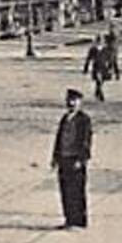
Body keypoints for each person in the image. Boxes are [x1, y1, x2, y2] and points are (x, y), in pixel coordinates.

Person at [50, 88, 92, 228]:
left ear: (80, 102)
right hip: (64, 158)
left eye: (74, 100)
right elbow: (59, 138)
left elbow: (86, 141)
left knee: (77, 190)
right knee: (65, 190)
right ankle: (69, 219)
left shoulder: (84, 120)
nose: (71, 103)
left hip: (75, 159)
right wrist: (55, 157)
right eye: (69, 100)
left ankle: (79, 220)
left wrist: (81, 159)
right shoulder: (64, 118)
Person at [82, 35, 107, 102]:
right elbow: (88, 59)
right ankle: (101, 96)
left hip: (104, 67)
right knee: (98, 81)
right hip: (96, 67)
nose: (100, 42)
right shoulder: (93, 49)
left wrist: (111, 67)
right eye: (99, 41)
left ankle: (97, 92)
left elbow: (110, 59)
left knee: (101, 82)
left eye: (101, 41)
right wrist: (85, 68)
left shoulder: (105, 49)